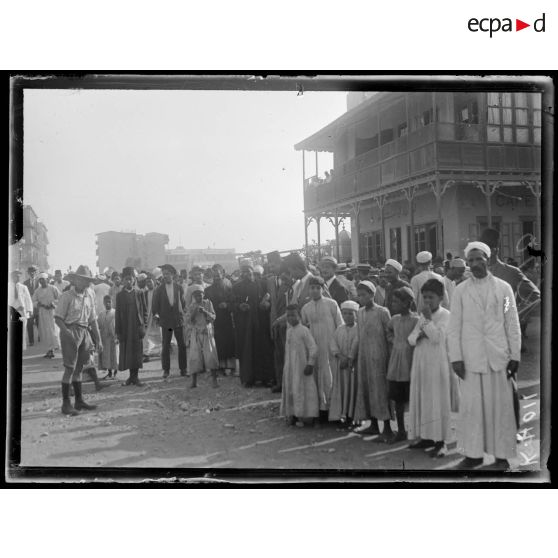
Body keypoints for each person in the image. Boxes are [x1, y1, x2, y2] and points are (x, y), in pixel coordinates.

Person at [448, 241, 521, 470]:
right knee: (472, 409)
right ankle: (473, 454)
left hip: (498, 357)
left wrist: (515, 355)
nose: (475, 264)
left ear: (487, 260)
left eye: (479, 259)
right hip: (470, 359)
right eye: (471, 260)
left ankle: (502, 457)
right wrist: (456, 358)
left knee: (501, 409)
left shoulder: (504, 289)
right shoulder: (460, 291)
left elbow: (512, 322)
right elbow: (454, 326)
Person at [407, 279, 452, 456]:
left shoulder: (446, 315)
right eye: (424, 297)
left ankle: (440, 441)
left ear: (440, 298)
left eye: (431, 297)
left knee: (436, 401)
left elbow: (436, 338)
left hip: (436, 364)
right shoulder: (423, 316)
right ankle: (425, 436)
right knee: (423, 399)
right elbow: (411, 338)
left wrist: (425, 324)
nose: (427, 301)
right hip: (420, 362)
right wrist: (420, 333)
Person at [479, 228, 540, 353]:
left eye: (490, 247)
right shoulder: (473, 273)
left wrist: (519, 313)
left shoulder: (511, 272)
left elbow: (536, 296)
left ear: (497, 249)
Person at [54, 265, 102, 416]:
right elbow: (58, 318)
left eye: (87, 280)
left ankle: (79, 400)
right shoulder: (66, 296)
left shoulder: (90, 294)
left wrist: (98, 339)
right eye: (82, 279)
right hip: (70, 330)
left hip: (85, 331)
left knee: (80, 367)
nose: (85, 283)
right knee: (69, 368)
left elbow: (93, 319)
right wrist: (66, 332)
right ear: (75, 280)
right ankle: (66, 404)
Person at [353, 280, 393, 441]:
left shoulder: (382, 312)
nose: (361, 298)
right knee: (367, 388)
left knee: (380, 390)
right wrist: (354, 355)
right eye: (359, 295)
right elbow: (359, 335)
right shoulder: (360, 313)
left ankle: (388, 428)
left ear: (372, 294)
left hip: (379, 356)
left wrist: (390, 358)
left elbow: (389, 335)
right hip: (364, 357)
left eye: (364, 295)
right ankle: (374, 425)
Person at [300, 276, 343, 422]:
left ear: (323, 289)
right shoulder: (306, 307)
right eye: (312, 288)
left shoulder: (332, 304)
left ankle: (334, 411)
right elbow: (304, 327)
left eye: (317, 288)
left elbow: (340, 324)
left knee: (330, 374)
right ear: (308, 289)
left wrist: (338, 344)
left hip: (330, 345)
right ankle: (320, 410)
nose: (314, 291)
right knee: (317, 375)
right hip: (315, 346)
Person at [232, 263, 274, 387]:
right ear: (241, 275)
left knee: (263, 349)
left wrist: (267, 302)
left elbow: (270, 297)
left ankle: (266, 378)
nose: (247, 276)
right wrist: (239, 306)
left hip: (261, 322)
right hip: (245, 324)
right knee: (247, 350)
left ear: (253, 273)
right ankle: (248, 378)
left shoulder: (262, 284)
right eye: (243, 274)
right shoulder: (236, 287)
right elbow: (231, 302)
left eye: (249, 273)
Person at [386, 287, 418, 442]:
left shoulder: (416, 320)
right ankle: (401, 431)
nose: (393, 304)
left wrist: (410, 346)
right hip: (397, 363)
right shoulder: (395, 319)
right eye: (392, 301)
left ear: (407, 303)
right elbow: (388, 331)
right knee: (398, 399)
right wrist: (394, 341)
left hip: (411, 362)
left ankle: (418, 431)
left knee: (414, 398)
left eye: (396, 302)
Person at [280, 304, 319, 428]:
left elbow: (313, 348)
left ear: (300, 316)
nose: (291, 318)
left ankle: (310, 416)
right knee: (291, 389)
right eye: (288, 316)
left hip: (302, 367)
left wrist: (310, 363)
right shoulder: (289, 331)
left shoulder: (304, 330)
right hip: (290, 367)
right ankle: (294, 414)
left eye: (293, 315)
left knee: (304, 389)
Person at [151, 263, 188, 379]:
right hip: (166, 322)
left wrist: (184, 315)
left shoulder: (178, 287)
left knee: (181, 345)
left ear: (172, 275)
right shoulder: (159, 289)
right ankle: (166, 370)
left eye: (168, 274)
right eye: (164, 274)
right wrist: (156, 315)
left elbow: (183, 303)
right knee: (166, 345)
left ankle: (183, 369)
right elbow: (155, 306)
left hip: (177, 321)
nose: (165, 276)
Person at [115, 267, 148, 387]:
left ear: (134, 280)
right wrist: (118, 331)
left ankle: (136, 377)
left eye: (130, 279)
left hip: (136, 327)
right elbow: (118, 314)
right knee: (128, 352)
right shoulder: (119, 296)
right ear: (123, 281)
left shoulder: (139, 293)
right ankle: (130, 377)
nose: (128, 281)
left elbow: (144, 311)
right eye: (126, 279)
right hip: (125, 328)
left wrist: (143, 326)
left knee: (137, 352)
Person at [328, 300, 359, 425]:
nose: (347, 317)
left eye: (350, 314)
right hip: (341, 366)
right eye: (344, 314)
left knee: (353, 389)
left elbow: (357, 344)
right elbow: (333, 343)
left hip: (353, 366)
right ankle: (343, 414)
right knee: (342, 389)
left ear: (356, 315)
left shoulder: (358, 329)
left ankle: (354, 416)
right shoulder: (339, 329)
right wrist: (340, 356)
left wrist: (350, 358)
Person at [204, 264, 236, 374]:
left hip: (227, 318)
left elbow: (234, 301)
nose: (216, 277)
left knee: (229, 342)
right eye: (214, 275)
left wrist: (227, 305)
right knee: (218, 343)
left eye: (218, 274)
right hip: (215, 320)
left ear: (222, 273)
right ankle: (220, 367)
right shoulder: (208, 290)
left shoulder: (229, 286)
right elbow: (205, 305)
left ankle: (232, 367)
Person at [186, 286, 219, 388]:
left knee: (210, 355)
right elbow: (189, 321)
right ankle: (194, 381)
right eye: (196, 295)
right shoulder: (191, 306)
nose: (198, 296)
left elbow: (213, 317)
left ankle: (214, 380)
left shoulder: (208, 303)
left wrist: (205, 311)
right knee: (194, 356)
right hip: (196, 332)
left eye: (200, 294)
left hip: (207, 332)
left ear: (203, 294)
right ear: (193, 296)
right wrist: (195, 311)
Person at [270, 265, 294, 393]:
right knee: (279, 356)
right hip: (277, 325)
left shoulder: (292, 287)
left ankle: (288, 384)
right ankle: (281, 382)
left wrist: (280, 321)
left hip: (287, 325)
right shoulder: (273, 283)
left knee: (288, 356)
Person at [32, 272, 59, 358]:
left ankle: (53, 349)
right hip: (43, 313)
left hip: (52, 313)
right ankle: (49, 350)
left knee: (53, 331)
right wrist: (40, 304)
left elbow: (60, 298)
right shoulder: (37, 291)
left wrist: (52, 304)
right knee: (45, 332)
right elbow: (33, 301)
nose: (42, 281)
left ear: (47, 280)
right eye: (40, 280)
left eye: (43, 279)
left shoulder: (53, 288)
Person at [8, 270, 34, 350]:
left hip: (22, 311)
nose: (18, 278)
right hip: (11, 310)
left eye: (19, 276)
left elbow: (28, 299)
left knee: (23, 328)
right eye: (16, 276)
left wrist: (30, 310)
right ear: (12, 277)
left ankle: (22, 346)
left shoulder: (23, 287)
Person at [97, 295, 118, 379]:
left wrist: (117, 336)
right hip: (105, 338)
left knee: (114, 354)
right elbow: (98, 325)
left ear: (112, 302)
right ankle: (109, 372)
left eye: (109, 302)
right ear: (103, 303)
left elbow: (118, 325)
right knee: (106, 355)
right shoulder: (101, 314)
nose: (108, 304)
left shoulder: (115, 312)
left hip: (113, 337)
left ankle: (115, 372)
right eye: (106, 302)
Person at [143, 275, 162, 361]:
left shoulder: (158, 291)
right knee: (147, 335)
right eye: (147, 282)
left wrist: (158, 315)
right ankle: (147, 353)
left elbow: (161, 304)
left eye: (150, 281)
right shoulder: (145, 293)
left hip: (156, 316)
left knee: (159, 334)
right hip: (148, 316)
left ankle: (161, 351)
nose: (149, 284)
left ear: (153, 282)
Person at [24, 265, 39, 346]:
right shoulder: (25, 283)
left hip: (38, 306)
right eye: (30, 272)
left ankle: (41, 336)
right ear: (28, 273)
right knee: (29, 324)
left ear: (36, 272)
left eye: (34, 271)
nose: (32, 273)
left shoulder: (40, 282)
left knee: (39, 323)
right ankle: (31, 340)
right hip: (29, 306)